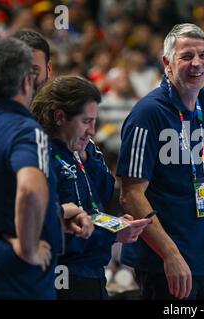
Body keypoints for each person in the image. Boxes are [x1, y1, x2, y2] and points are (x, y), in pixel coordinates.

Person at [116, 23, 204, 300]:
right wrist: (170, 254)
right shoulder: (147, 114)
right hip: (166, 264)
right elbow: (130, 194)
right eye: (186, 56)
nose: (197, 63)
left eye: (203, 55)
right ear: (167, 63)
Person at [30, 75, 152, 299]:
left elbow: (103, 200)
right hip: (62, 277)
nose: (93, 131)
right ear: (59, 117)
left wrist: (86, 158)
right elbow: (51, 228)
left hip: (94, 273)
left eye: (94, 121)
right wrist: (111, 235)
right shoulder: (39, 156)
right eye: (86, 121)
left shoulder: (86, 151)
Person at [0, 38, 91, 299]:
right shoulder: (25, 131)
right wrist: (28, 247)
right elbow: (30, 190)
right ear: (25, 82)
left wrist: (53, 216)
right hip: (16, 281)